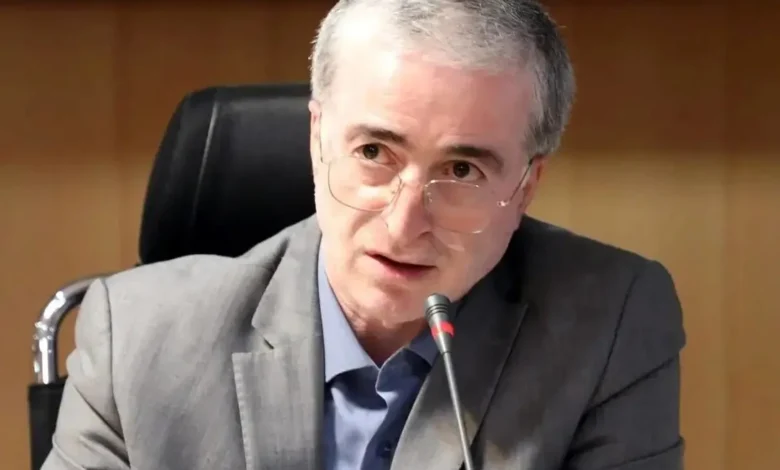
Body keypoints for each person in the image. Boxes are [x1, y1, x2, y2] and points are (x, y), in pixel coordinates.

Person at [43, 1, 686, 469]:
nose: (405, 224)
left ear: (525, 186)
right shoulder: (137, 338)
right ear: (317, 141)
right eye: (375, 152)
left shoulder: (609, 325)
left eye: (461, 170)